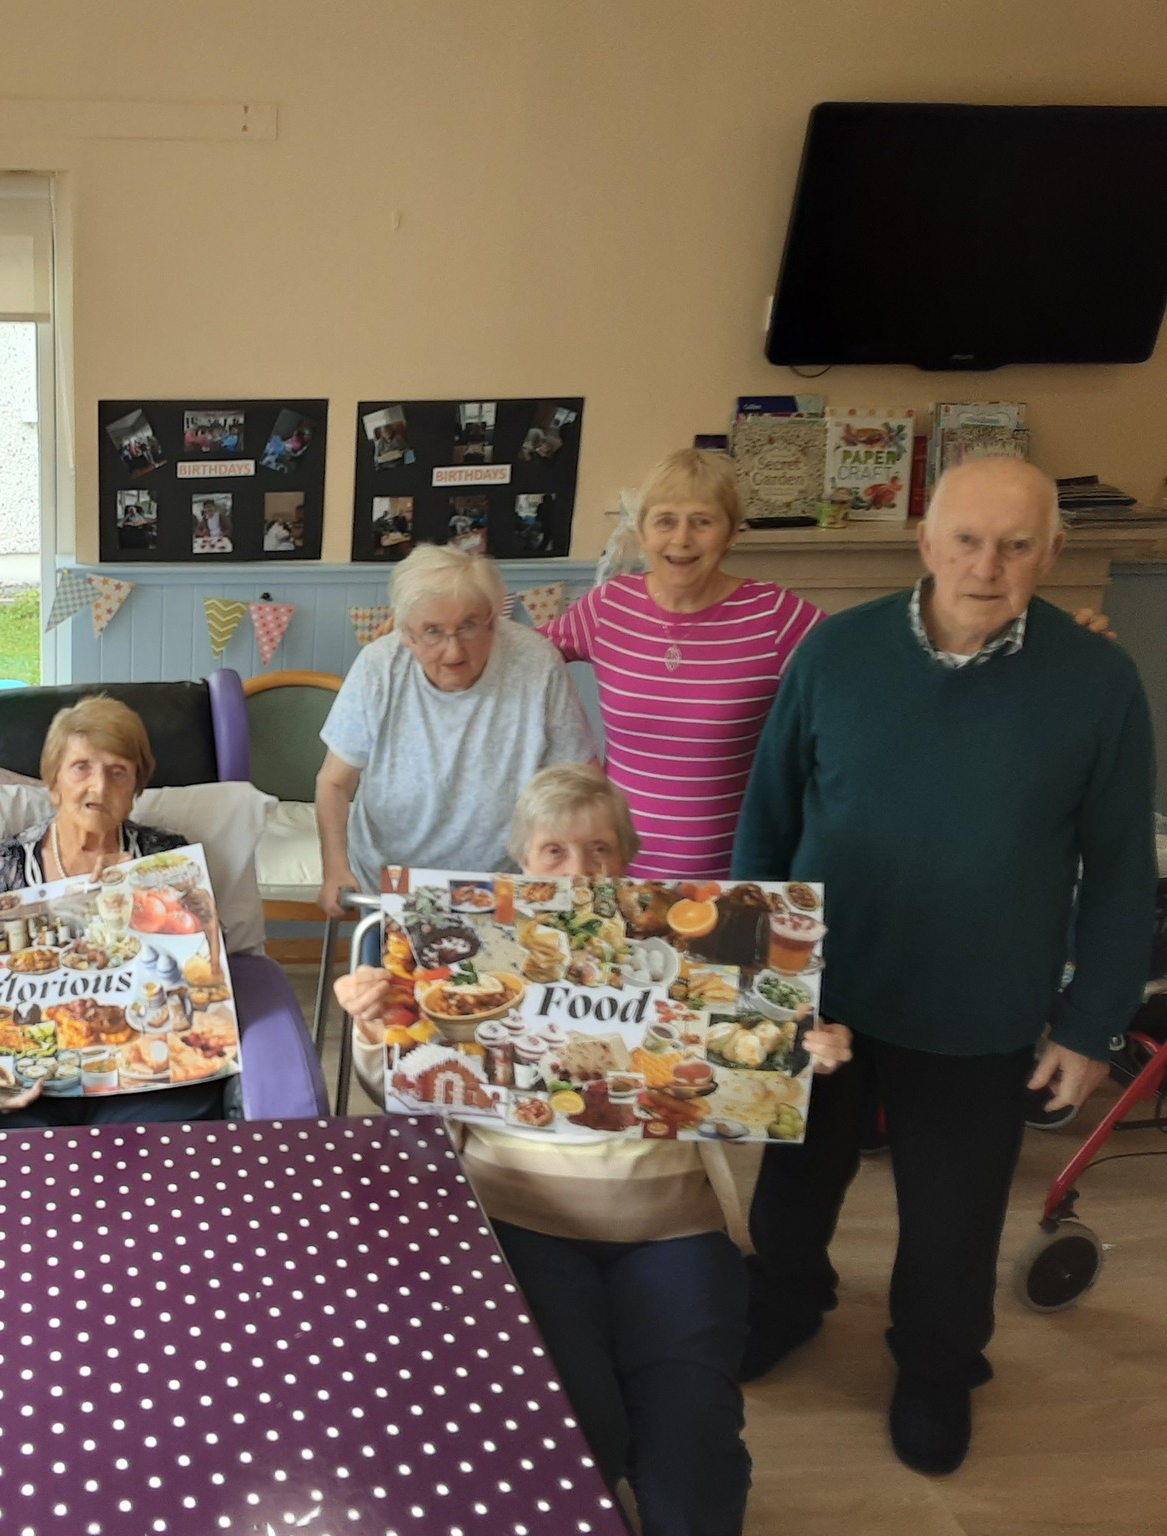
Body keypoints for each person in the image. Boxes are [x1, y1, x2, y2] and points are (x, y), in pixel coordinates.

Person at [732, 457, 1156, 1476]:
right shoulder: (834, 655)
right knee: (790, 1188)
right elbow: (767, 823)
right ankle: (786, 1305)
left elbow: (1119, 872)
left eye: (1015, 545)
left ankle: (933, 1366)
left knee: (952, 1220)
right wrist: (753, 984)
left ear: (1050, 554)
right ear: (923, 541)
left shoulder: (1096, 682)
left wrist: (1089, 1022)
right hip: (822, 991)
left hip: (979, 1008)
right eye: (964, 539)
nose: (986, 565)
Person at [332, 765, 852, 1535]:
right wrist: (375, 1026)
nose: (580, 872)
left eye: (600, 850)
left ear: (629, 859)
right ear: (521, 862)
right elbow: (403, 1087)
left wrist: (803, 1048)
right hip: (516, 1215)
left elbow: (751, 1064)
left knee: (694, 1453)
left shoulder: (680, 946)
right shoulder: (479, 941)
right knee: (579, 1432)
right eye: (554, 852)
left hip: (670, 1223)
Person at [535, 450, 824, 878]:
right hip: (614, 868)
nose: (682, 538)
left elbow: (851, 670)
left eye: (702, 521)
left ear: (731, 534)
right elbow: (523, 655)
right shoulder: (608, 607)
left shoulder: (775, 618)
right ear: (643, 530)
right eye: (666, 520)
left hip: (732, 873)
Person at [0, 696, 229, 1131]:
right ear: (54, 782)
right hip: (33, 1083)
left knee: (167, 1136)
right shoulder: (3, 866)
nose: (99, 787)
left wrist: (173, 905)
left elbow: (209, 980)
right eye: (82, 768)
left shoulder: (166, 859)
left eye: (118, 772)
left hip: (147, 1076)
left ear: (136, 790)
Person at [316, 543, 596, 916]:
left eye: (468, 627)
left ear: (494, 620)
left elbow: (578, 780)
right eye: (432, 632)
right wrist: (335, 867)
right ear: (406, 633)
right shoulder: (378, 667)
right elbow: (334, 782)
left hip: (507, 883)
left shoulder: (537, 663)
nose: (453, 652)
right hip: (393, 881)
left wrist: (573, 866)